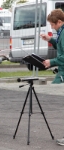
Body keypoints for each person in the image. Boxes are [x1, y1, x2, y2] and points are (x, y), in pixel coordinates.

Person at [40, 9, 64, 146]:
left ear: (59, 22)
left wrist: (52, 62)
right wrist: (50, 39)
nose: (52, 27)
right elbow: (61, 46)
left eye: (53, 25)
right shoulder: (61, 32)